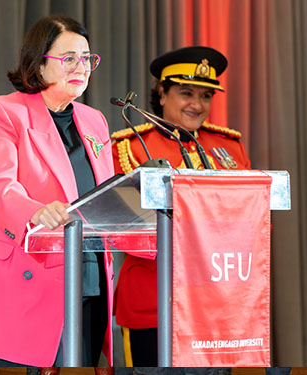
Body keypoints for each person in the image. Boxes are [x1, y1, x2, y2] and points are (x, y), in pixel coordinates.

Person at [0, 14, 115, 368]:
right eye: (69, 59)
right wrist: (35, 210)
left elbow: (103, 194)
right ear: (38, 63)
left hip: (90, 274)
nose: (80, 67)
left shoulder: (94, 120)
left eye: (87, 59)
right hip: (25, 277)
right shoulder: (1, 112)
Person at [111, 46, 290, 375]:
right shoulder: (132, 146)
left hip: (224, 303)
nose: (197, 105)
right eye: (186, 93)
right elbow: (125, 230)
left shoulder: (229, 146)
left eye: (206, 96)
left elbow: (256, 221)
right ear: (161, 93)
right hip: (156, 303)